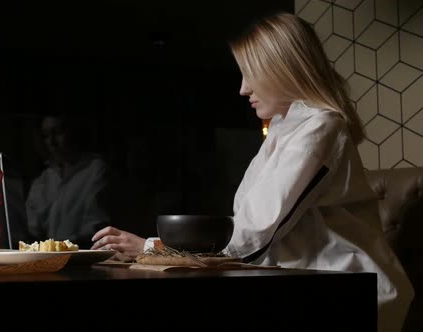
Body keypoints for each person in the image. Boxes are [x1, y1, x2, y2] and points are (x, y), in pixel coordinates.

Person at [91, 12, 414, 331]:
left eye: (250, 74)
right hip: (293, 277)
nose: (243, 89)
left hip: (343, 285)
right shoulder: (283, 129)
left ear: (282, 70)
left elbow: (254, 235)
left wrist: (153, 248)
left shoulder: (321, 126)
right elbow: (249, 228)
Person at [25, 112, 111, 250]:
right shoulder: (43, 179)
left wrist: (63, 247)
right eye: (46, 135)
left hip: (87, 256)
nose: (52, 142)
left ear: (73, 132)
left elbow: (95, 225)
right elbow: (33, 229)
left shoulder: (95, 169)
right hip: (49, 259)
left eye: (57, 132)